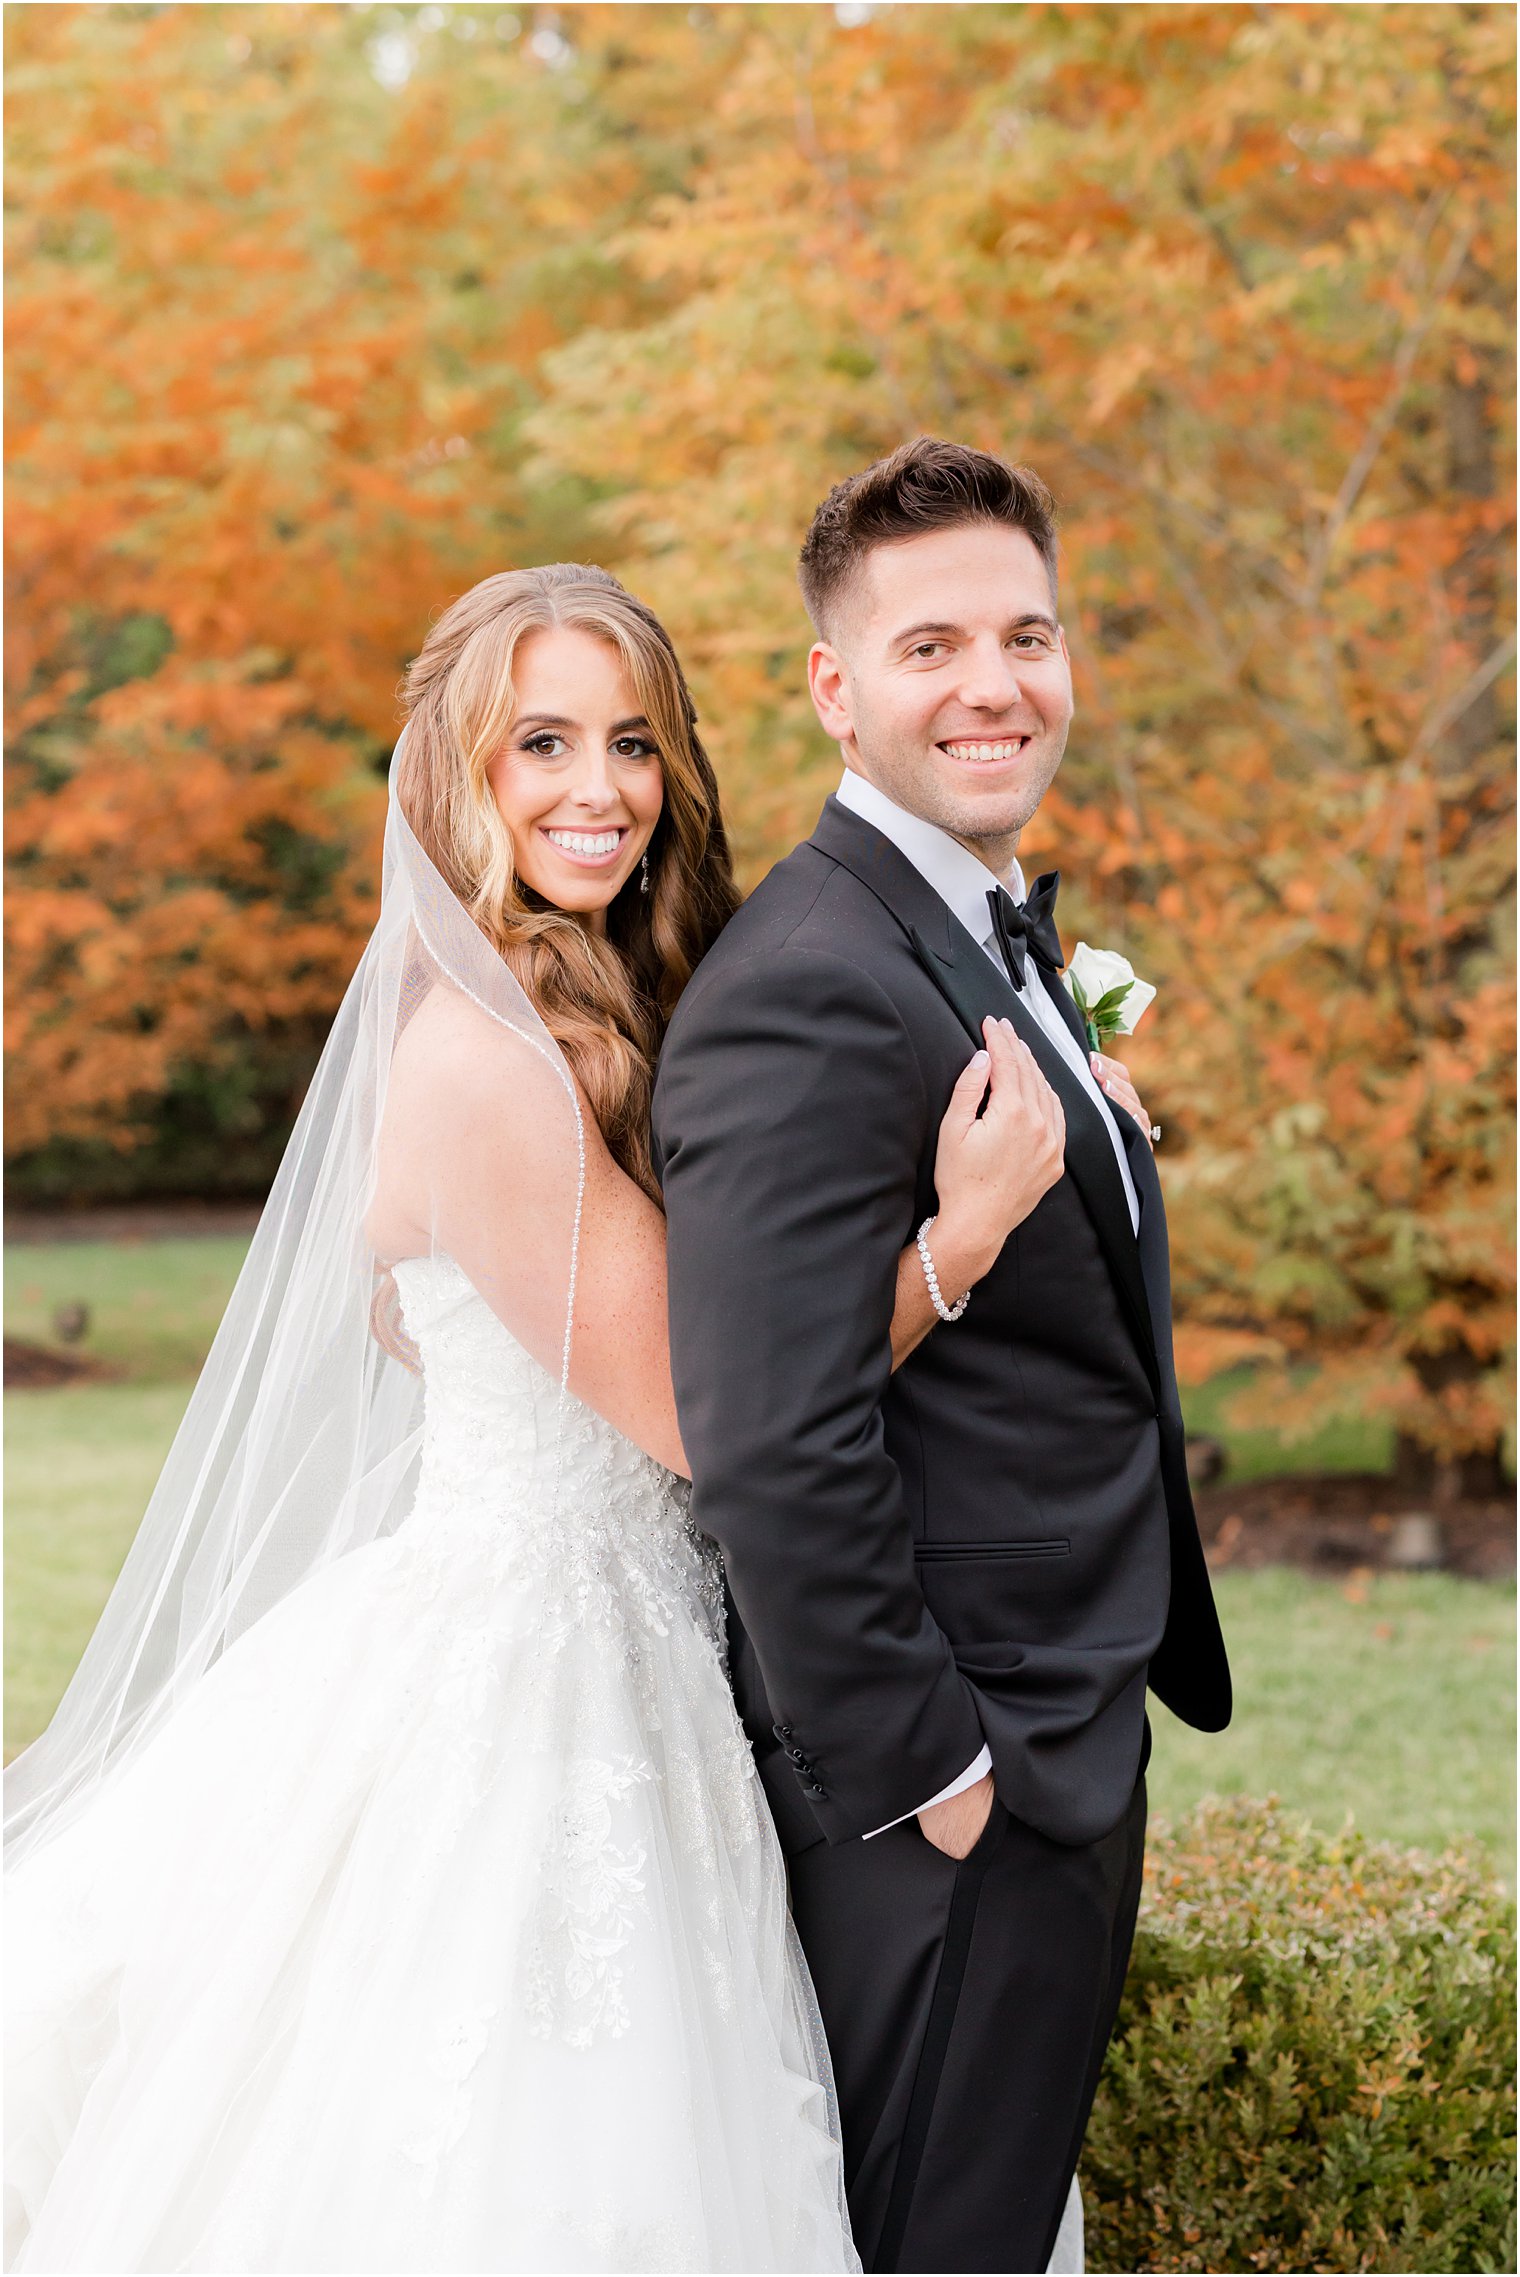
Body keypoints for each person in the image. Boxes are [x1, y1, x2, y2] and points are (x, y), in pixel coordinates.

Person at [3, 564, 1066, 2274]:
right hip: (529, 1679)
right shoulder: (485, 1060)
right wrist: (957, 1240)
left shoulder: (610, 1006)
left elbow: (434, 1319)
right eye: (544, 743)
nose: (600, 787)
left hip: (642, 1640)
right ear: (462, 775)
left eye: (634, 741)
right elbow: (711, 1418)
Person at [653, 438, 1233, 2276]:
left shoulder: (965, 921)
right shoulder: (811, 977)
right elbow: (769, 1430)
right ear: (836, 685)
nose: (995, 683)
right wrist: (937, 1772)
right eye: (930, 647)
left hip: (1058, 1713)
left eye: (1028, 634)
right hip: (951, 1771)